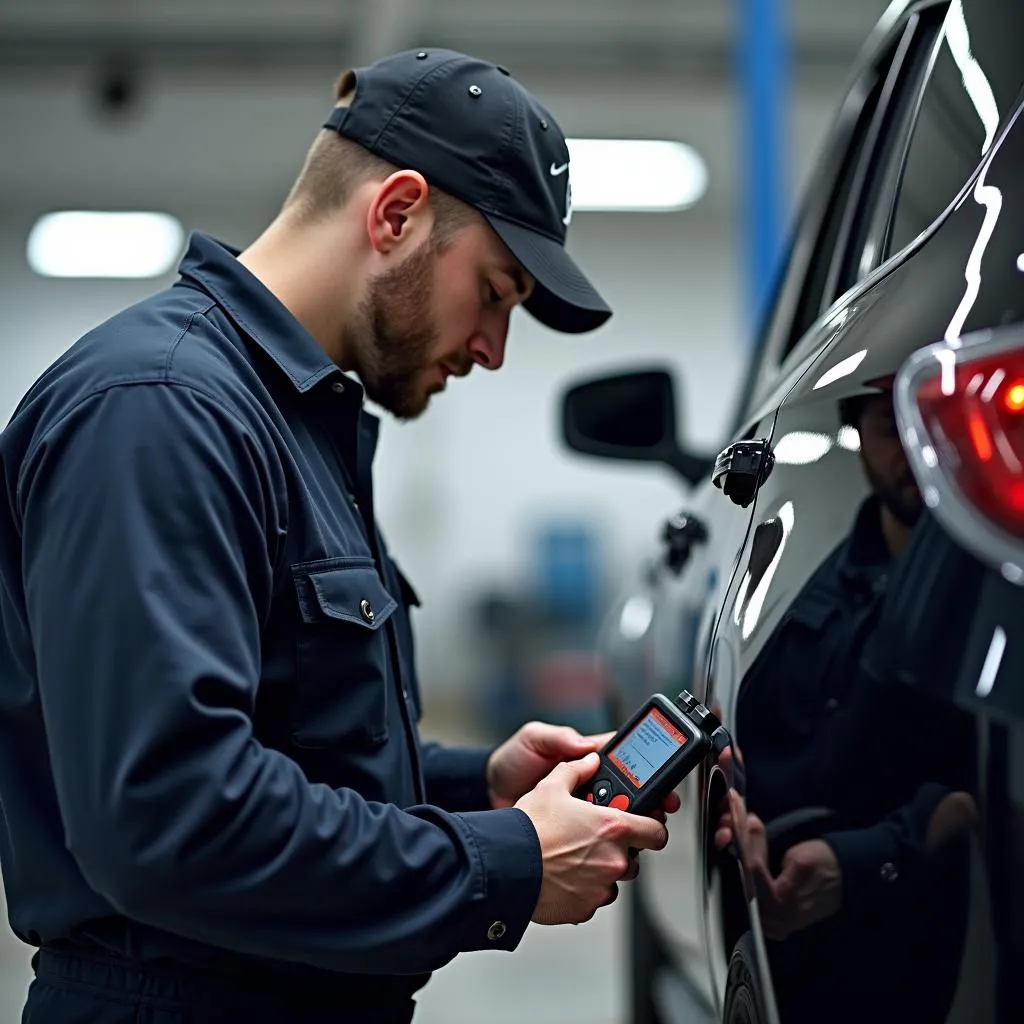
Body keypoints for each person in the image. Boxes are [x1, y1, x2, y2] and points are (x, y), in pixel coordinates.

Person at [0, 49, 678, 1024]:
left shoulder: (287, 424)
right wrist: (508, 861)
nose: (492, 349)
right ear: (395, 214)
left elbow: (281, 733)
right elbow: (168, 815)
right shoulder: (159, 409)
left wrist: (473, 785)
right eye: (493, 292)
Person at [718, 386, 977, 1023]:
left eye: (932, 418)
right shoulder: (818, 579)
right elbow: (749, 735)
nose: (915, 448)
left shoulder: (991, 593)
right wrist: (736, 822)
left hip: (929, 953)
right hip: (794, 945)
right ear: (855, 432)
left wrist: (865, 862)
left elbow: (988, 796)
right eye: (891, 425)